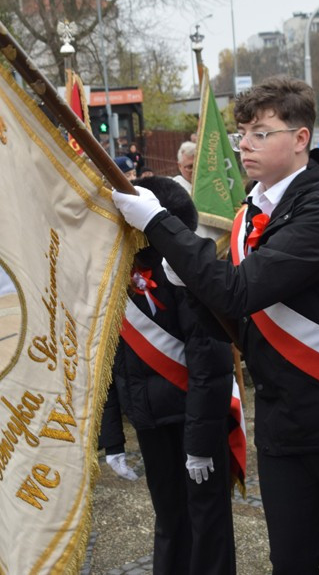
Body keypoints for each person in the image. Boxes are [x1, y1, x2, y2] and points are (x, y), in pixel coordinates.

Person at [112, 76, 319, 575]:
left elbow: (239, 290)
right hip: (282, 422)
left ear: (300, 139)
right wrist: (189, 284)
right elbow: (236, 316)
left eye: (260, 133)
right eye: (242, 134)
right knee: (290, 564)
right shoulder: (254, 209)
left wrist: (161, 225)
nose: (245, 145)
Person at [112, 175, 237, 574]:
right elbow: (110, 359)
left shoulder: (186, 271)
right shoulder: (115, 274)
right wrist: (113, 436)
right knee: (169, 520)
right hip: (150, 420)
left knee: (208, 524)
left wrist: (199, 442)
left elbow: (210, 362)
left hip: (193, 417)